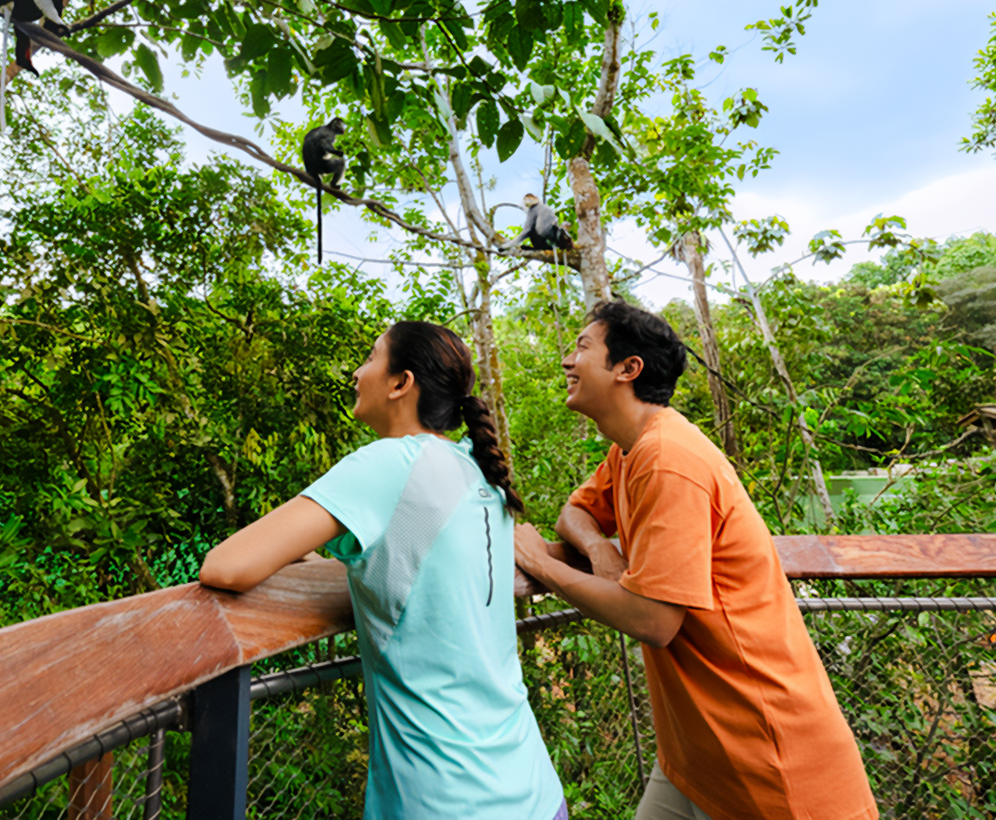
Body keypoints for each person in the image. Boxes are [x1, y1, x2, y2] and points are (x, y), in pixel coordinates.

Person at [512, 301, 877, 820]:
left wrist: (542, 564)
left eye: (582, 348)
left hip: (770, 760)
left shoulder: (670, 460)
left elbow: (653, 620)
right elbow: (576, 512)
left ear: (628, 369)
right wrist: (598, 550)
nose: (568, 361)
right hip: (697, 757)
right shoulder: (631, 449)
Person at [199, 321, 567, 820]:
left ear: (401, 383)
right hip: (531, 789)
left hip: (444, 801)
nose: (356, 372)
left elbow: (226, 567)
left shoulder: (388, 463)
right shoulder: (473, 468)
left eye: (371, 358)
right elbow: (414, 567)